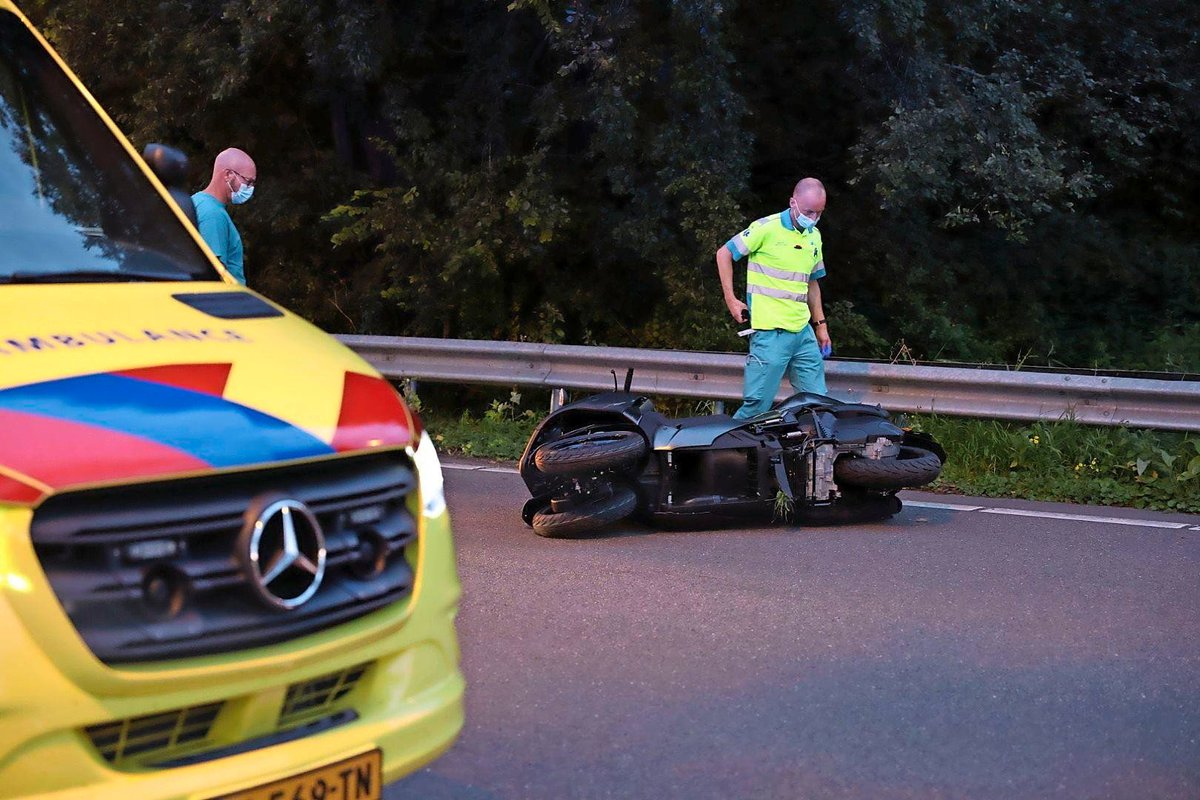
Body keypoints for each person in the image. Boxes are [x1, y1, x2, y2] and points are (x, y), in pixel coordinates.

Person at [716, 177, 832, 419]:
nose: (813, 218)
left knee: (818, 405)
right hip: (770, 333)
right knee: (756, 408)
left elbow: (812, 283)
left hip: (802, 332)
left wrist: (820, 326)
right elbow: (724, 253)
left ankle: (808, 444)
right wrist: (731, 299)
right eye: (809, 212)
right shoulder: (765, 228)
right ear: (793, 202)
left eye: (819, 212)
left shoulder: (814, 236)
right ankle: (727, 442)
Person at [192, 148, 256, 285]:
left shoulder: (197, 201)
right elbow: (214, 274)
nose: (250, 188)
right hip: (227, 296)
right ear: (228, 175)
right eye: (248, 181)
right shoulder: (213, 214)